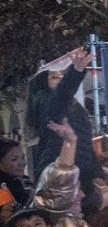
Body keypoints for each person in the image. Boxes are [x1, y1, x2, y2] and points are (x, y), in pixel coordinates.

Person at [27, 47, 100, 185]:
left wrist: (97, 173)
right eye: (54, 76)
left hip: (78, 173)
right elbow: (63, 92)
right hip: (60, 174)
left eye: (62, 75)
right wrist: (77, 70)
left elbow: (85, 143)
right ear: (43, 82)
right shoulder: (47, 100)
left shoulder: (74, 106)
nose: (60, 78)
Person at [0, 138, 31, 206]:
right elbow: (8, 214)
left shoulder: (24, 180)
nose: (22, 163)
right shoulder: (2, 188)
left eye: (23, 158)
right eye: (14, 159)